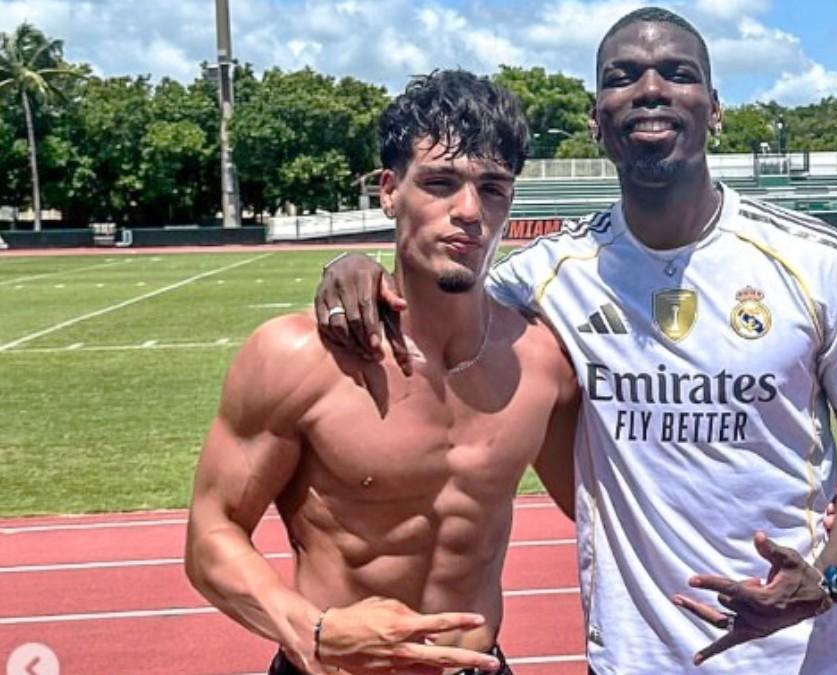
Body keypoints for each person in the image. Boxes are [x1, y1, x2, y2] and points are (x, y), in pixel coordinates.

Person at [315, 7, 837, 674]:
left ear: (714, 109)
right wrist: (353, 270)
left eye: (678, 74)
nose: (651, 88)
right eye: (623, 76)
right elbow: (434, 294)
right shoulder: (541, 280)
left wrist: (826, 577)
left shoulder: (820, 264)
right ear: (596, 120)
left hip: (811, 658)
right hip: (634, 659)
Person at [185, 69, 579, 675]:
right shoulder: (298, 359)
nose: (469, 211)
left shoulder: (541, 362)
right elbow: (211, 535)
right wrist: (313, 631)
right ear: (390, 192)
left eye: (492, 187)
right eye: (441, 183)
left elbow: (607, 508)